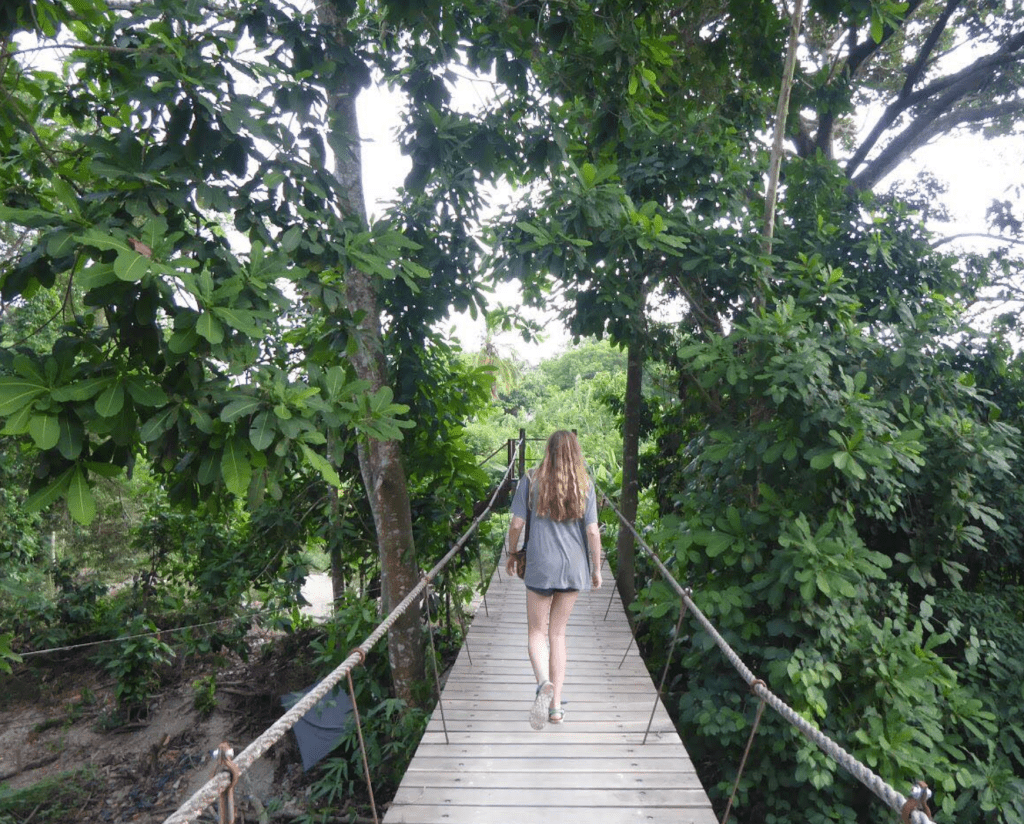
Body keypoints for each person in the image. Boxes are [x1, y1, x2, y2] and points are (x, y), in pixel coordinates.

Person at [504, 430, 602, 728]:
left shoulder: (530, 480)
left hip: (540, 565)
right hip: (573, 567)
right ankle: (556, 707)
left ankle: (543, 682)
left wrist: (512, 552)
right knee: (558, 634)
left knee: (537, 632)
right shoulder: (585, 484)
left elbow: (517, 524)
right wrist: (596, 569)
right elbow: (593, 531)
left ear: (548, 450)